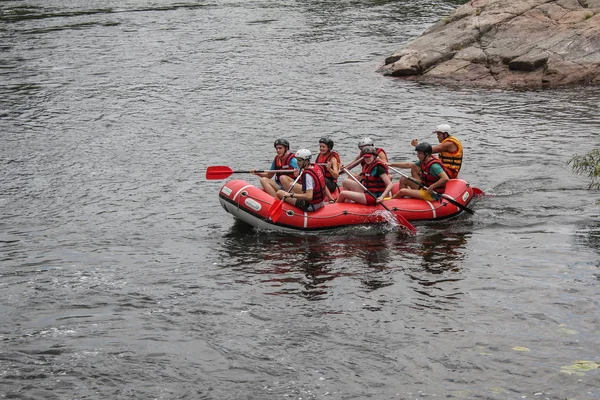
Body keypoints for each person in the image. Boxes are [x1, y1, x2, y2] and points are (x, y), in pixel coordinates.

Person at [315, 137, 340, 203]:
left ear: (329, 148)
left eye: (324, 147)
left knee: (320, 179)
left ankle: (331, 199)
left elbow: (336, 176)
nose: (321, 148)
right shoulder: (319, 156)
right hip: (321, 180)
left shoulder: (332, 158)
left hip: (331, 184)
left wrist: (329, 169)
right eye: (320, 146)